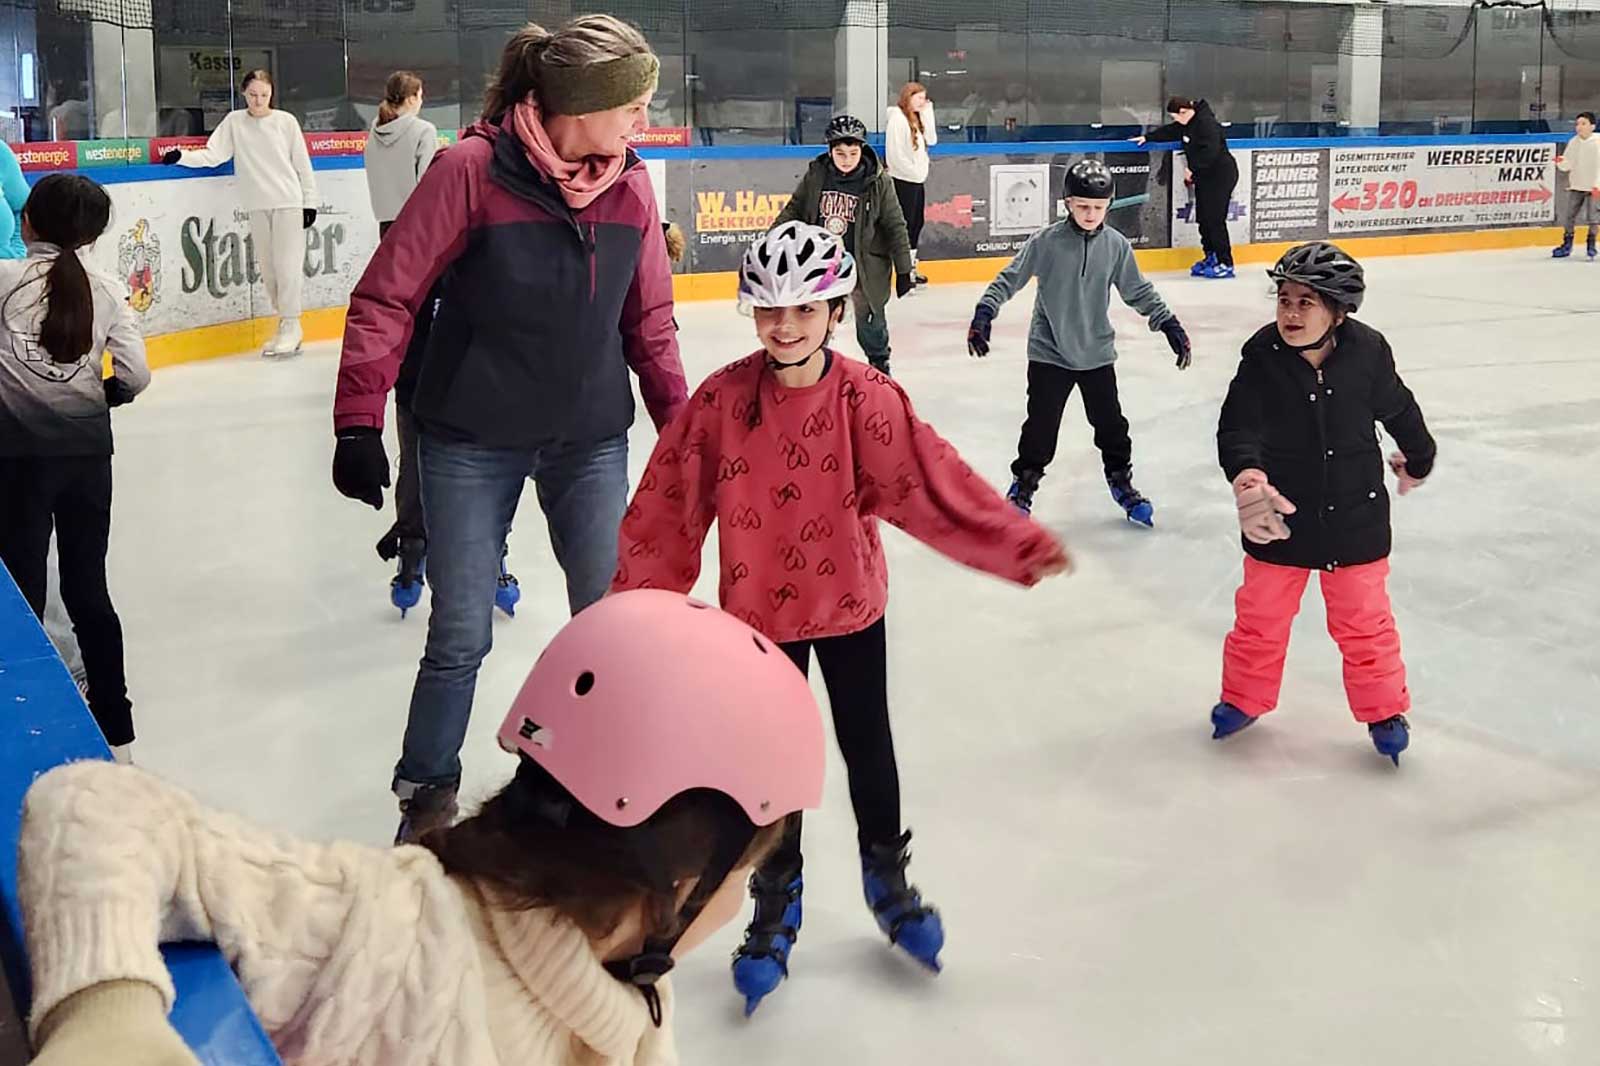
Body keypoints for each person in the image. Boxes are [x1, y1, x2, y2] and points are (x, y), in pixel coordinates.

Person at [18, 591, 827, 1066]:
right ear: (684, 880)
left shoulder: (631, 1013)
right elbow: (92, 807)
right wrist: (108, 1014)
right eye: (747, 875)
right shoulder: (394, 929)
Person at [612, 222, 1071, 1014]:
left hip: (849, 604)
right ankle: (776, 890)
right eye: (769, 310)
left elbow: (932, 485)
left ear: (835, 311)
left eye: (804, 309)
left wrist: (1015, 542)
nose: (784, 326)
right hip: (757, 618)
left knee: (868, 745)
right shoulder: (721, 403)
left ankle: (886, 876)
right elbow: (666, 511)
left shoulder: (867, 399)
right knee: (768, 767)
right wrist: (639, 615)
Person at [330, 16, 688, 844]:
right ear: (579, 104)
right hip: (470, 440)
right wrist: (358, 420)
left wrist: (683, 429)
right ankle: (426, 796)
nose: (644, 119)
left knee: (609, 624)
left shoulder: (631, 186)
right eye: (633, 103)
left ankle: (602, 780)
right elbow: (387, 296)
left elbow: (653, 326)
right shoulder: (471, 172)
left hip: (590, 440)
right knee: (459, 634)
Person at [1212, 242, 1436, 764]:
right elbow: (1238, 425)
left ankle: (1384, 711)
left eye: (1305, 303)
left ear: (1338, 311)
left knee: (1365, 623)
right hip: (1279, 514)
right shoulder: (1262, 356)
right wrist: (1248, 478)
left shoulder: (1368, 352)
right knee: (1260, 618)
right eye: (1284, 300)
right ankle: (1244, 698)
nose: (1290, 313)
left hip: (1355, 516)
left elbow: (1399, 409)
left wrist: (1420, 459)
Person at [0, 174, 148, 764]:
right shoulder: (107, 287)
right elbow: (135, 375)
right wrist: (98, 398)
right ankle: (118, 732)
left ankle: (24, 716)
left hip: (15, 463)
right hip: (87, 462)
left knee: (23, 592)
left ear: (26, 222)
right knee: (89, 590)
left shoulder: (3, 280)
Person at [966, 159, 1192, 524]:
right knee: (1040, 428)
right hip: (1049, 352)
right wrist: (984, 313)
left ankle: (1121, 480)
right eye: (1083, 206)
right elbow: (1009, 278)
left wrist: (1167, 322)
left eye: (1098, 208)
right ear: (1068, 203)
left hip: (1096, 352)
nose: (1090, 214)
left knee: (1112, 427)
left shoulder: (1116, 246)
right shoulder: (1047, 242)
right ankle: (1024, 485)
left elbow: (1138, 290)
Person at [162, 69, 318, 357]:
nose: (259, 100)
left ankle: (292, 324)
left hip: (288, 202)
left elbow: (302, 164)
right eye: (253, 95)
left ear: (271, 94)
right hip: (257, 203)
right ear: (244, 94)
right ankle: (285, 324)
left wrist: (310, 202)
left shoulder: (286, 122)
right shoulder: (235, 122)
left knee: (287, 266)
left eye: (264, 95)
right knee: (269, 269)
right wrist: (181, 156)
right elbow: (214, 154)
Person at [773, 114, 913, 376]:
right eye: (840, 153)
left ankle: (880, 364)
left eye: (852, 152)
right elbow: (794, 210)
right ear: (830, 151)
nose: (847, 160)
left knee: (870, 320)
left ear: (862, 150)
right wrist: (771, 241)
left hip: (864, 265)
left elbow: (895, 225)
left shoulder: (878, 181)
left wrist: (904, 269)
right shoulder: (817, 176)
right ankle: (811, 362)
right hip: (823, 264)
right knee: (815, 316)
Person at [1134, 96, 1238, 279]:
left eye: (1176, 116)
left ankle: (1225, 262)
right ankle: (1211, 256)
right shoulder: (1187, 123)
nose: (1176, 121)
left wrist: (1192, 168)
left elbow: (1210, 152)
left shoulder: (1206, 124)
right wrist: (1147, 137)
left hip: (1221, 176)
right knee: (1203, 218)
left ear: (1184, 111)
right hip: (1204, 177)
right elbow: (1171, 131)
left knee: (1215, 220)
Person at [365, 70, 439, 236]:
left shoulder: (375, 131)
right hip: (416, 222)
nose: (421, 101)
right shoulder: (424, 131)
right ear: (412, 99)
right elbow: (428, 182)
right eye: (420, 96)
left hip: (385, 222)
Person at [885, 82, 936, 287]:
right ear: (908, 97)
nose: (922, 102)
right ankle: (902, 269)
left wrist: (928, 113)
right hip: (903, 180)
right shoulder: (897, 120)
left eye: (924, 98)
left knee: (916, 223)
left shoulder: (916, 118)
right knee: (904, 225)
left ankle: (911, 267)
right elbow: (895, 155)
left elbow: (931, 139)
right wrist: (913, 172)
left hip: (916, 179)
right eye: (919, 98)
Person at [1552, 110, 1600, 259]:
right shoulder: (1574, 142)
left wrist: (1597, 185)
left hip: (1595, 187)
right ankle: (1567, 244)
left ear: (1592, 126)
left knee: (1593, 217)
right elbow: (1568, 163)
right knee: (1569, 216)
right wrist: (1561, 162)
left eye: (1583, 123)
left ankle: (1591, 245)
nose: (1579, 127)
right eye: (1578, 124)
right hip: (1577, 185)